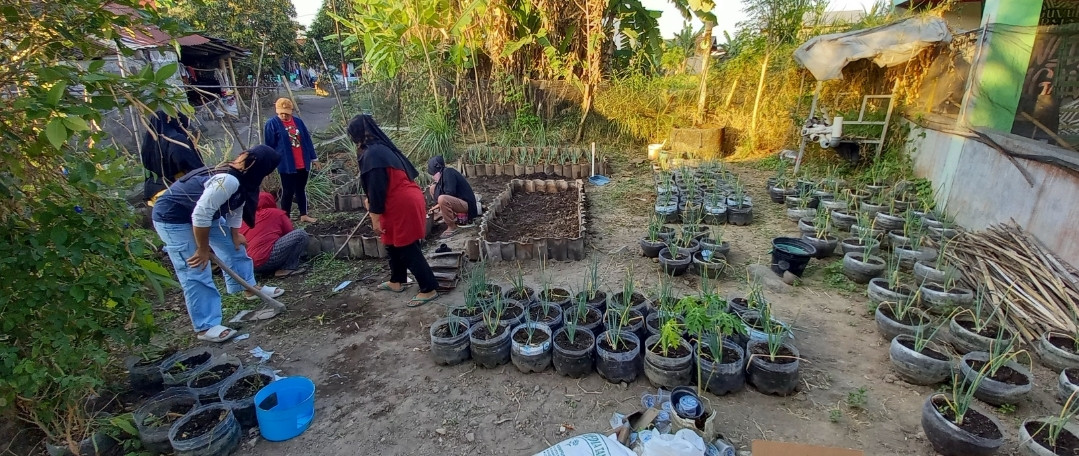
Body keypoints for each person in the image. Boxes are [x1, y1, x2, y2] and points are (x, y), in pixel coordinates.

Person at [151, 145, 286, 343]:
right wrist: (203, 249)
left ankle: (248, 288)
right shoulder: (227, 179)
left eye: (245, 156)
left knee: (235, 248)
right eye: (244, 155)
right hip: (173, 218)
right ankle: (206, 326)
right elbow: (200, 214)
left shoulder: (245, 181)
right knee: (196, 268)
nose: (240, 157)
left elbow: (236, 206)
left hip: (204, 214)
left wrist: (234, 234)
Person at [348, 114, 439, 306]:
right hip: (404, 198)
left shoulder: (371, 154)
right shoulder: (382, 148)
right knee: (392, 242)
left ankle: (428, 288)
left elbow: (377, 189)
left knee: (406, 246)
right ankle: (397, 280)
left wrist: (375, 218)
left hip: (400, 203)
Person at [264, 97, 318, 223]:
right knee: (288, 191)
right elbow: (269, 146)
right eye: (281, 113)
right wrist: (269, 164)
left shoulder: (298, 122)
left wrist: (314, 158)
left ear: (291, 111)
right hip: (286, 164)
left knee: (300, 189)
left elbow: (307, 140)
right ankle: (285, 218)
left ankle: (304, 214)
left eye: (286, 113)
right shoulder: (272, 124)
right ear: (276, 111)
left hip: (302, 162)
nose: (283, 115)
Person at [241, 192, 310, 278]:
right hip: (266, 260)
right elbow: (289, 232)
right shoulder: (277, 213)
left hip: (248, 264)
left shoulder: (245, 218)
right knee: (300, 235)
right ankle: (287, 268)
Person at [140, 111, 204, 203]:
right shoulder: (176, 139)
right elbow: (186, 162)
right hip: (178, 191)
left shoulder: (148, 144)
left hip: (155, 194)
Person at [425, 155, 478, 238]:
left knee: (442, 199)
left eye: (433, 174)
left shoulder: (448, 172)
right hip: (458, 202)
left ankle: (451, 227)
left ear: (438, 170)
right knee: (433, 188)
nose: (433, 177)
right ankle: (442, 214)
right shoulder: (443, 174)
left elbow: (449, 193)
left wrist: (435, 207)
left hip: (467, 205)